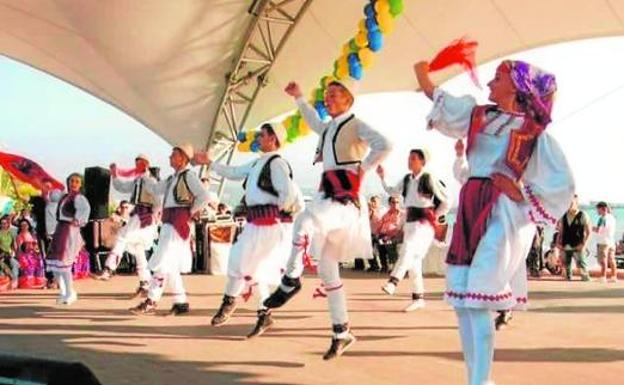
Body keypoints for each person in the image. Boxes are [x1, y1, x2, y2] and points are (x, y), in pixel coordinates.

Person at [414, 58, 574, 385]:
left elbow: (563, 183)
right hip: (471, 205)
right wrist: (424, 78)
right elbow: (445, 104)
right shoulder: (480, 115)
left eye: (497, 77)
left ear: (517, 86)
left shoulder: (532, 132)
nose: (489, 83)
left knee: (478, 300)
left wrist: (520, 193)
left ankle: (480, 381)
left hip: (502, 214)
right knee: (462, 302)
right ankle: (478, 380)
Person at [263, 79, 392, 360]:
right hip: (327, 195)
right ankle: (341, 331)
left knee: (305, 221)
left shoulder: (356, 124)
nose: (328, 99)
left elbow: (385, 144)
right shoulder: (329, 127)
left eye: (334, 95)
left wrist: (364, 168)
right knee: (328, 269)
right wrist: (298, 97)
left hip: (345, 199)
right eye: (326, 95)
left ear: (348, 100)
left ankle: (291, 279)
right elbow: (313, 120)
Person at [196, 123, 302, 338]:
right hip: (256, 224)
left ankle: (247, 308)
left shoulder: (277, 163)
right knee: (238, 263)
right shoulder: (257, 163)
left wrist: (275, 212)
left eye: (262, 135)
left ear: (273, 139)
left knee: (252, 268)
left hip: (269, 225)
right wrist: (210, 163)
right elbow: (234, 172)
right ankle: (247, 307)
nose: (258, 138)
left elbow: (288, 194)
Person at [130, 144, 208, 315]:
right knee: (169, 265)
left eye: (173, 155)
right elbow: (155, 188)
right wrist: (144, 173)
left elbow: (204, 196)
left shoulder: (189, 176)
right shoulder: (172, 178)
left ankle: (151, 300)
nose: (169, 158)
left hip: (178, 223)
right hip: (169, 222)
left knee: (162, 261)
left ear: (182, 158)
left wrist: (190, 211)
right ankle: (180, 302)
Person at [378, 148, 449, 311]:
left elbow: (446, 200)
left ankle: (393, 281)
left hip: (424, 223)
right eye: (409, 158)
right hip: (410, 222)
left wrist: (434, 215)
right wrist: (382, 177)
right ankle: (418, 298)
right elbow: (392, 191)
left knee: (408, 249)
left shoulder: (429, 178)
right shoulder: (407, 179)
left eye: (414, 158)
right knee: (414, 262)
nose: (410, 161)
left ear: (422, 161)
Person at [454, 139, 515, 331]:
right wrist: (459, 155)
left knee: (492, 257)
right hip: (472, 211)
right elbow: (462, 175)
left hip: (496, 209)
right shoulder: (475, 167)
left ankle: (505, 305)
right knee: (477, 261)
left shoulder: (502, 166)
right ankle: (488, 307)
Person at [98, 154, 159, 298]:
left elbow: (158, 198)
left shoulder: (150, 180)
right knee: (138, 248)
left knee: (122, 237)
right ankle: (145, 283)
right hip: (138, 214)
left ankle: (109, 268)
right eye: (136, 163)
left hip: (144, 216)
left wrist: (155, 215)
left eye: (140, 163)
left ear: (146, 164)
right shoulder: (137, 180)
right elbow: (121, 187)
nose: (138, 166)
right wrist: (114, 175)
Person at [46, 173, 91, 305]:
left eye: (77, 181)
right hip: (60, 230)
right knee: (55, 264)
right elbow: (53, 196)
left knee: (64, 263)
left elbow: (85, 210)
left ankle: (70, 293)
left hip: (69, 231)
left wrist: (77, 221)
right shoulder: (64, 196)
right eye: (72, 181)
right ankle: (63, 291)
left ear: (80, 184)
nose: (74, 183)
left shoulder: (79, 198)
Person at [556, 195, 591, 281]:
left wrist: (584, 244)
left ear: (576, 203)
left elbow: (589, 232)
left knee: (582, 264)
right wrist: (557, 242)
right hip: (566, 244)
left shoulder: (583, 215)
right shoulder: (563, 216)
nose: (569, 205)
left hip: (578, 244)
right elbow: (561, 231)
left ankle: (585, 278)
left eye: (571, 203)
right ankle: (568, 278)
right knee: (566, 263)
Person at [375, 196, 403, 273]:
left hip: (396, 236)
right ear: (389, 203)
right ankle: (384, 266)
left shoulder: (402, 214)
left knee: (388, 243)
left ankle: (393, 265)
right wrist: (377, 233)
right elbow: (380, 225)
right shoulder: (386, 214)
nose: (395, 204)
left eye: (397, 202)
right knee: (379, 244)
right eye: (393, 202)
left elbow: (400, 228)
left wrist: (389, 236)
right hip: (384, 235)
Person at [593, 201, 617, 282]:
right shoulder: (612, 217)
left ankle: (603, 277)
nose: (597, 211)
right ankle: (614, 277)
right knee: (612, 259)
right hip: (611, 241)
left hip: (603, 242)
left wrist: (589, 227)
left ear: (602, 209)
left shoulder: (602, 218)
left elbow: (598, 230)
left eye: (598, 209)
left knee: (603, 260)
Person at [0, 215, 19, 289]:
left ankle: (15, 281)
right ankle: (10, 279)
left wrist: (13, 252)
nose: (3, 225)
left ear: (8, 224)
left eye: (5, 223)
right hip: (1, 254)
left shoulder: (11, 233)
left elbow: (14, 245)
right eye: (2, 223)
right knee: (2, 265)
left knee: (15, 263)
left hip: (9, 254)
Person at [367, 195, 383, 272]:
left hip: (380, 234)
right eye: (372, 201)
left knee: (381, 250)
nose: (373, 203)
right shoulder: (369, 211)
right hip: (370, 233)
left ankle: (384, 266)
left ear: (379, 203)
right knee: (369, 250)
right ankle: (374, 265)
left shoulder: (382, 210)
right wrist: (370, 211)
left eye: (375, 201)